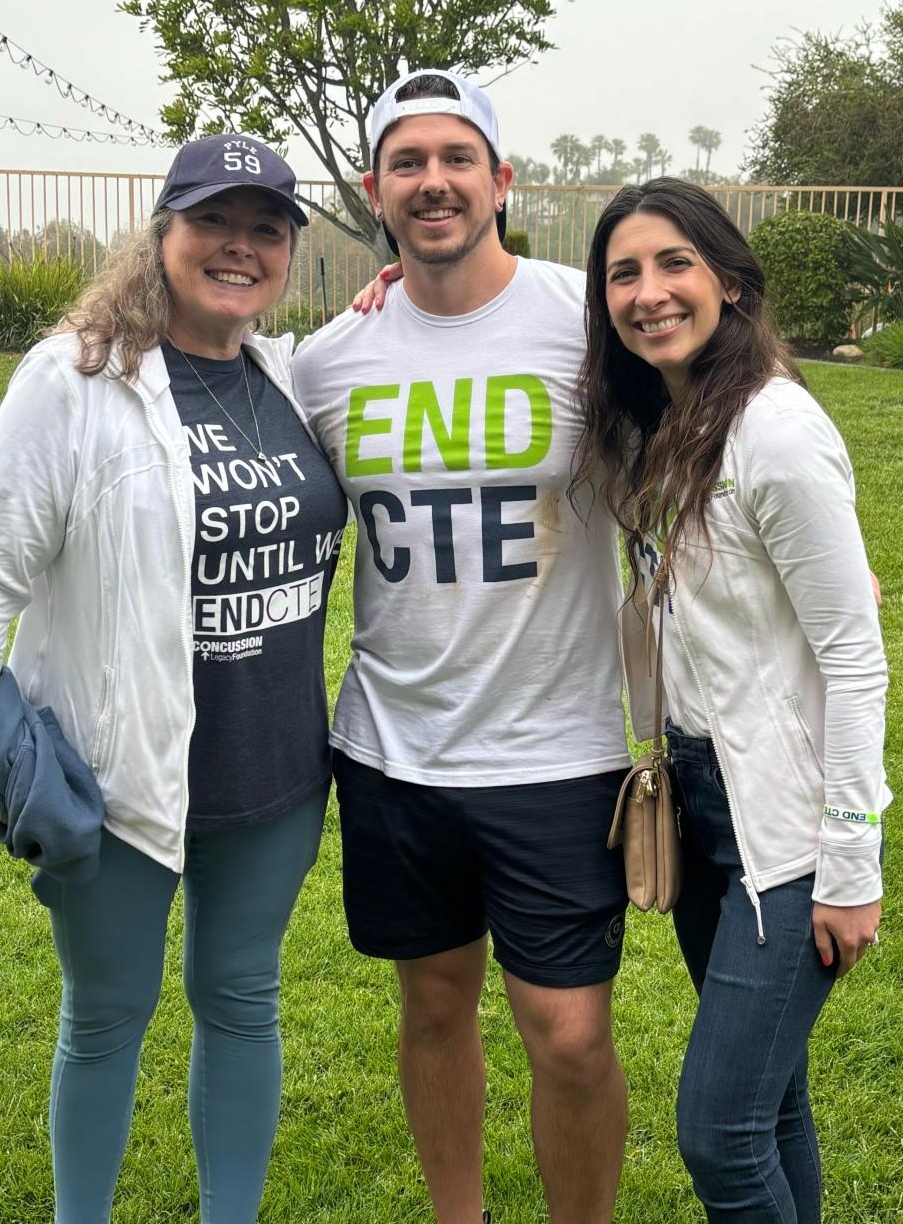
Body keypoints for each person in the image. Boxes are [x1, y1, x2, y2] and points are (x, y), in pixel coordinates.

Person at [0, 134, 347, 1223]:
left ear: (289, 255)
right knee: (106, 1015)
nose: (239, 248)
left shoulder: (284, 375)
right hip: (116, 779)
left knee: (242, 999)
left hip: (275, 770)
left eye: (266, 230)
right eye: (214, 222)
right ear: (162, 235)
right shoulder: (73, 379)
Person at [292, 71, 631, 1224]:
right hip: (396, 751)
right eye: (407, 162)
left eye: (456, 157)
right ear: (377, 191)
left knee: (572, 1035)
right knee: (433, 1008)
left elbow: (728, 397)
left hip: (559, 746)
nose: (432, 181)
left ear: (501, 179)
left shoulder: (584, 321)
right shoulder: (327, 362)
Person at [574, 177, 889, 1222]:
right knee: (773, 1103)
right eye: (624, 273)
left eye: (675, 265)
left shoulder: (775, 432)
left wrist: (850, 862)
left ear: (733, 285)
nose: (649, 293)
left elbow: (855, 655)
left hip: (789, 838)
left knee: (719, 1135)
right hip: (704, 812)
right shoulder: (664, 428)